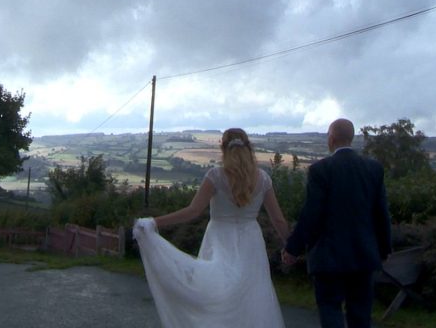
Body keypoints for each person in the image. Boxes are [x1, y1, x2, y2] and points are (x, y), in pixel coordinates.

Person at [133, 128, 289, 328]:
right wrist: (291, 247)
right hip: (251, 241)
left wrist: (155, 222)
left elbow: (193, 211)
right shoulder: (264, 178)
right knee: (253, 294)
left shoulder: (215, 176)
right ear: (249, 147)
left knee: (216, 292)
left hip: (219, 238)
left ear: (222, 147)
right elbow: (279, 220)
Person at [282, 118, 392, 328]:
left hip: (328, 257)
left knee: (330, 310)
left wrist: (292, 248)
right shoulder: (373, 169)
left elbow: (311, 214)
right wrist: (384, 249)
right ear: (351, 138)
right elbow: (381, 213)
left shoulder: (320, 170)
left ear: (331, 138)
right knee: (360, 314)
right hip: (363, 255)